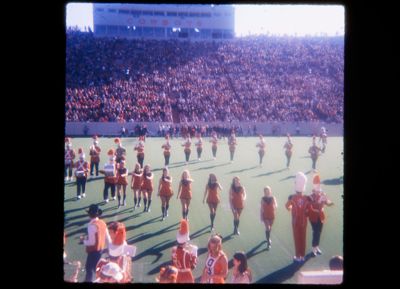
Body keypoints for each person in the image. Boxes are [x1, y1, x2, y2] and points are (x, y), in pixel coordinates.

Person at [80, 204, 111, 282]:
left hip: (93, 252)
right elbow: (108, 238)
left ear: (89, 214)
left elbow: (91, 242)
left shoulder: (91, 226)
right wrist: (109, 249)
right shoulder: (103, 223)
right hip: (101, 250)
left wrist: (83, 241)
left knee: (90, 269)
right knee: (96, 269)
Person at [285, 172, 310, 262]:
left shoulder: (292, 197)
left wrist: (291, 208)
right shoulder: (307, 198)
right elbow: (309, 209)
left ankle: (297, 256)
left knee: (297, 238)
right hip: (304, 221)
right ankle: (303, 256)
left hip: (295, 221)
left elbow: (287, 206)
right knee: (303, 238)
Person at [308, 173, 334, 256]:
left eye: (319, 187)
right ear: (314, 189)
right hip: (313, 217)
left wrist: (330, 203)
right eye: (317, 188)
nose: (318, 190)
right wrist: (318, 206)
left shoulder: (322, 195)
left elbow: (327, 202)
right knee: (315, 232)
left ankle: (317, 247)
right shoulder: (310, 196)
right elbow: (310, 208)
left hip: (321, 217)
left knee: (319, 232)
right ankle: (313, 249)